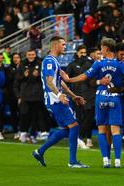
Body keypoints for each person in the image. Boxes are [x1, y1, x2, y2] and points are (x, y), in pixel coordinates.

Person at [60, 38, 124, 168]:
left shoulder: (98, 63)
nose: (100, 50)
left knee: (102, 129)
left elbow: (84, 76)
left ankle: (106, 160)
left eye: (101, 48)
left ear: (106, 49)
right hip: (115, 98)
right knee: (116, 130)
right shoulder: (120, 64)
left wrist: (69, 79)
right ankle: (118, 161)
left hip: (101, 97)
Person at [32, 36, 88, 168]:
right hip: (55, 99)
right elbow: (49, 81)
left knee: (67, 129)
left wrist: (73, 96)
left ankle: (39, 152)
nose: (65, 46)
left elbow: (61, 82)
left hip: (56, 99)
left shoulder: (54, 61)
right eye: (63, 44)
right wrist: (59, 95)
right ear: (56, 45)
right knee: (74, 126)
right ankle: (72, 161)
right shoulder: (49, 61)